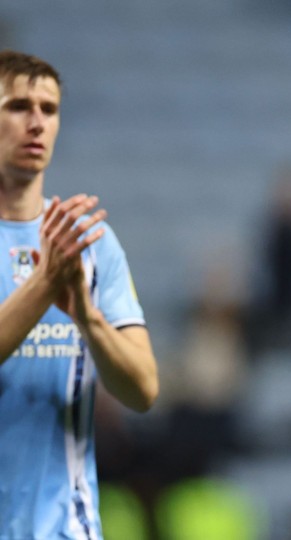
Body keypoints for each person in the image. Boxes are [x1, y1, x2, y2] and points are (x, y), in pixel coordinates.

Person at [0, 50, 158, 538]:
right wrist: (46, 283)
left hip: (67, 527)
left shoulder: (88, 243)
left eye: (49, 109)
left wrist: (89, 318)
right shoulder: (63, 257)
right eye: (18, 106)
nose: (37, 122)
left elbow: (143, 390)